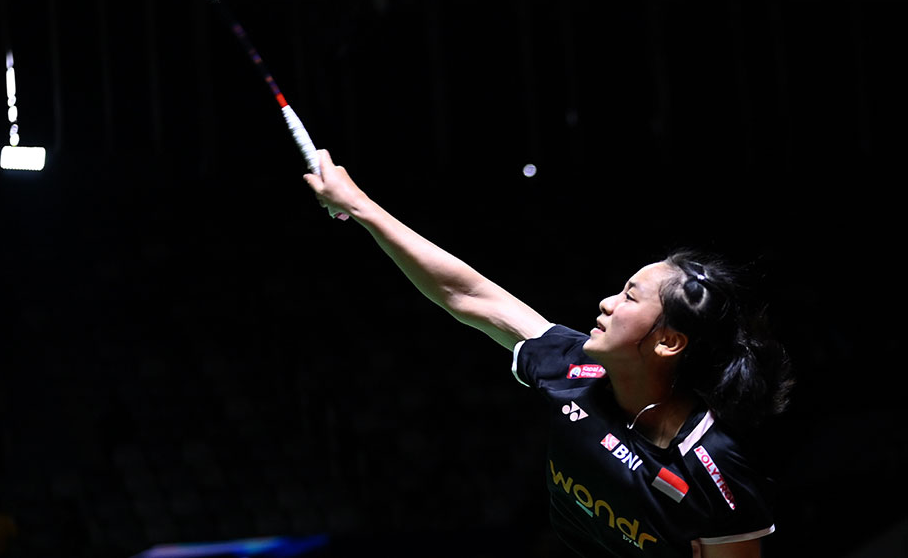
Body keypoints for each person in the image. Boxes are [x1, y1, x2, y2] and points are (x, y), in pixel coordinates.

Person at [304, 149, 793, 558]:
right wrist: (361, 206)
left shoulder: (714, 469)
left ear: (668, 342)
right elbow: (468, 294)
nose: (606, 303)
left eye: (629, 297)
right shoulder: (574, 369)